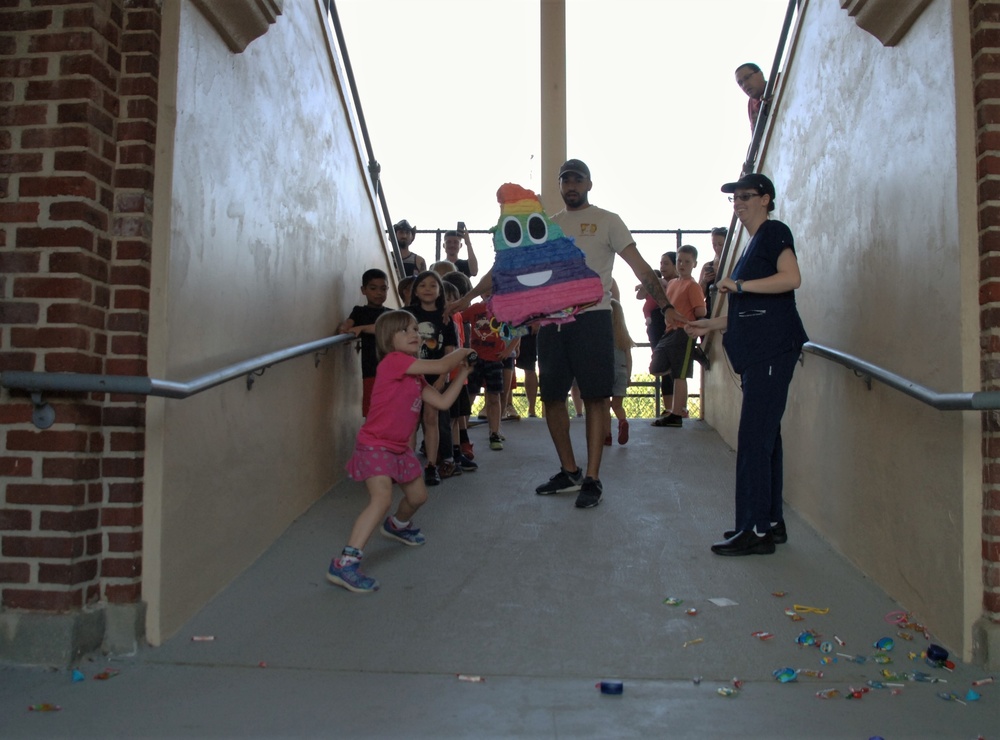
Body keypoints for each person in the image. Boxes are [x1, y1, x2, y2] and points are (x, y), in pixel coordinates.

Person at [534, 159, 675, 508]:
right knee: (552, 397)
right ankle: (569, 471)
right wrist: (472, 297)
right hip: (553, 321)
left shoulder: (608, 220)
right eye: (565, 180)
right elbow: (525, 273)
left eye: (577, 180)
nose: (571, 186)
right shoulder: (549, 227)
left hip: (594, 319)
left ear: (589, 185)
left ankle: (593, 479)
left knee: (596, 397)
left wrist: (667, 307)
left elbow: (639, 266)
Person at [684, 173, 808, 556]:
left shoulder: (773, 233)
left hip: (772, 351)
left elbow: (792, 279)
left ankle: (753, 531)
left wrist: (737, 286)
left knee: (754, 440)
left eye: (746, 197)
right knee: (767, 438)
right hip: (761, 352)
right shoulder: (753, 245)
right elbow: (755, 309)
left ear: (766, 199)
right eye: (734, 198)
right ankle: (770, 522)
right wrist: (711, 323)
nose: (738, 203)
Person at [327, 310, 475, 593]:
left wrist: (464, 373)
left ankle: (397, 524)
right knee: (381, 499)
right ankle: (345, 563)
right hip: (375, 445)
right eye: (405, 330)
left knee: (419, 497)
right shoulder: (394, 362)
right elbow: (442, 365)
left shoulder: (414, 377)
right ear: (387, 338)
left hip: (399, 449)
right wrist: (464, 349)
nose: (414, 334)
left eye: (415, 330)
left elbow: (442, 402)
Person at [408, 271, 458, 486]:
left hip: (435, 377)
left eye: (433, 285)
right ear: (415, 291)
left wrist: (442, 376)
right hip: (410, 375)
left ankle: (430, 465)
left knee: (431, 419)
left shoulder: (446, 318)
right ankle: (407, 466)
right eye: (422, 285)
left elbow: (450, 350)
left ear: (439, 291)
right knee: (409, 423)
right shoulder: (407, 314)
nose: (428, 289)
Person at [649, 245, 706, 427]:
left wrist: (695, 328)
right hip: (669, 332)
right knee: (656, 366)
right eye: (680, 261)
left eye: (687, 261)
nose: (682, 264)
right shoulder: (673, 283)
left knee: (679, 375)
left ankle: (676, 414)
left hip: (684, 332)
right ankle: (693, 354)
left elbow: (701, 311)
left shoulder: (693, 285)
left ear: (694, 264)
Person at [462, 291, 518, 451]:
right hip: (475, 360)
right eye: (486, 291)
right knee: (470, 396)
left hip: (495, 360)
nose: (490, 295)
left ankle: (494, 432)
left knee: (494, 396)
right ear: (482, 294)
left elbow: (517, 331)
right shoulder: (475, 309)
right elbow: (458, 318)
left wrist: (508, 352)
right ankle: (461, 433)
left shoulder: (504, 310)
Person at [337, 268, 389, 417]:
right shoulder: (359, 311)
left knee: (389, 410)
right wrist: (344, 331)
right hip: (370, 370)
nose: (379, 293)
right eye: (373, 288)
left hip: (390, 370)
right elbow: (347, 324)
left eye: (383, 289)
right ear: (363, 290)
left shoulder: (390, 314)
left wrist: (361, 328)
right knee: (372, 410)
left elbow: (384, 328)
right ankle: (371, 440)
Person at [605, 299, 635, 446]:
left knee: (604, 405)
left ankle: (607, 435)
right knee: (617, 405)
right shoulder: (623, 334)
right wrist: (628, 375)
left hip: (607, 371)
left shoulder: (603, 333)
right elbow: (629, 358)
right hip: (622, 371)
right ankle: (622, 421)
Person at [700, 227, 727, 316]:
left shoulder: (733, 264)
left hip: (727, 307)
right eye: (714, 244)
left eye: (720, 244)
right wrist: (704, 281)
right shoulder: (707, 266)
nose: (717, 248)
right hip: (710, 308)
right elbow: (699, 295)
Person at [735, 63, 768, 133]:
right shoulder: (751, 105)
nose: (744, 85)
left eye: (747, 78)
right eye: (740, 83)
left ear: (760, 74)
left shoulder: (779, 81)